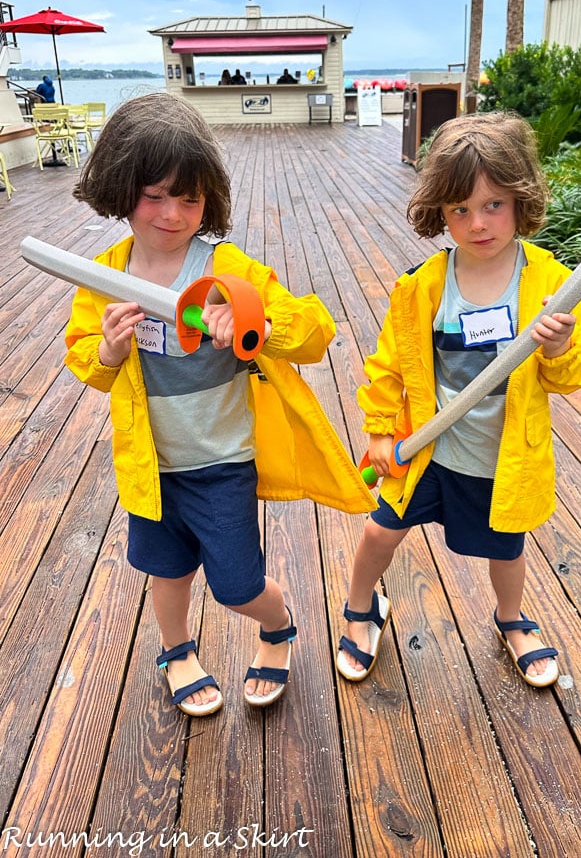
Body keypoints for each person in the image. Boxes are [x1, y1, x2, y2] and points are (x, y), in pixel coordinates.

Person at [65, 93, 375, 718]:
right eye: (154, 194)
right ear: (122, 188)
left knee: (236, 583)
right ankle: (176, 650)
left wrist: (250, 317)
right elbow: (87, 365)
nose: (172, 213)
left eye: (190, 197)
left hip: (221, 462)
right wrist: (108, 350)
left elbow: (315, 331)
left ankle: (277, 621)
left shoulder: (226, 267)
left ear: (210, 200)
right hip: (151, 465)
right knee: (168, 570)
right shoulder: (103, 277)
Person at [337, 112, 581, 690]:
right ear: (440, 211)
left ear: (521, 200)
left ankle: (512, 619)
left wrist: (557, 348)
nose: (477, 223)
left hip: (500, 455)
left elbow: (575, 372)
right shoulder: (425, 285)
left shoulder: (550, 284)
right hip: (430, 448)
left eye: (493, 206)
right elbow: (386, 365)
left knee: (506, 550)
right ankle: (362, 609)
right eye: (460, 210)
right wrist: (382, 431)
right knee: (380, 532)